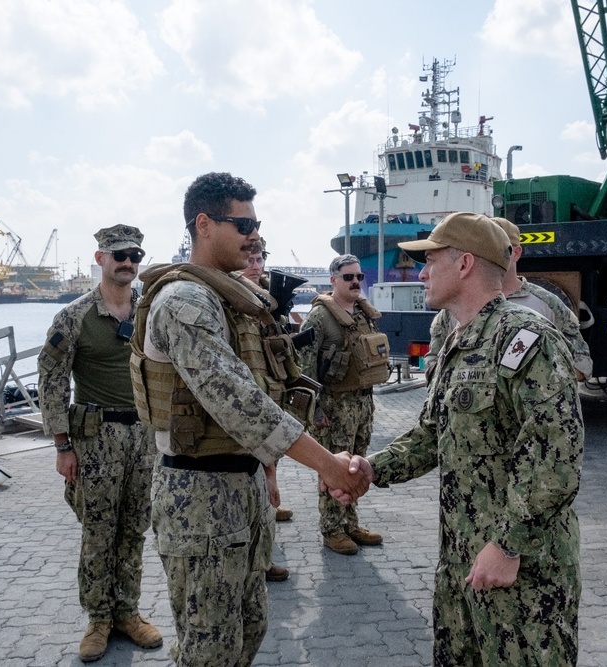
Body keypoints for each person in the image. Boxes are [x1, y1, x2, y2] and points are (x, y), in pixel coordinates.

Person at [132, 171, 369, 666]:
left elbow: (272, 390)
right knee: (210, 650)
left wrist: (269, 472)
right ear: (203, 225)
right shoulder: (184, 301)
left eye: (257, 224)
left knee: (248, 631)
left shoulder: (234, 300)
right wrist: (326, 464)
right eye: (243, 225)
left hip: (242, 489)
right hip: (198, 496)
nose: (255, 235)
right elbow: (237, 401)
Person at [343, 212, 584, 666]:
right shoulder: (459, 340)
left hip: (521, 567)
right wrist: (372, 468)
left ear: (466, 264)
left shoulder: (527, 338)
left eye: (430, 260)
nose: (422, 272)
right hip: (461, 557)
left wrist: (508, 545)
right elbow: (434, 433)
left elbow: (557, 458)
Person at [37, 224, 163, 662]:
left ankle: (128, 612)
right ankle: (98, 619)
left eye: (134, 255)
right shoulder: (74, 317)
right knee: (98, 532)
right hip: (96, 440)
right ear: (100, 259)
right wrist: (61, 446)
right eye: (118, 255)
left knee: (134, 529)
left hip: (144, 437)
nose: (127, 262)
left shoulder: (149, 311)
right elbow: (51, 381)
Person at [424, 216, 592, 381]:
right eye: (484, 247)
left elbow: (581, 366)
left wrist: (524, 374)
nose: (490, 253)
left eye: (499, 248)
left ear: (516, 253)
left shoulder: (548, 304)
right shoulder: (452, 311)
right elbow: (433, 364)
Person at [300, 254, 390, 555]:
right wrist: (315, 410)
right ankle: (332, 529)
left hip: (362, 403)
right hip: (334, 407)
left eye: (359, 277)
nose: (355, 282)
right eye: (348, 277)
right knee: (333, 468)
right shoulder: (319, 318)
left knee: (356, 466)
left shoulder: (363, 314)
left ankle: (350, 523)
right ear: (333, 280)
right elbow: (305, 368)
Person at [239, 237, 292, 582]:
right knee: (253, 488)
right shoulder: (235, 302)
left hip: (270, 401)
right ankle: (254, 561)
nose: (256, 266)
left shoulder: (266, 303)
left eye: (260, 259)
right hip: (245, 411)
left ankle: (263, 558)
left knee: (265, 487)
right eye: (250, 259)